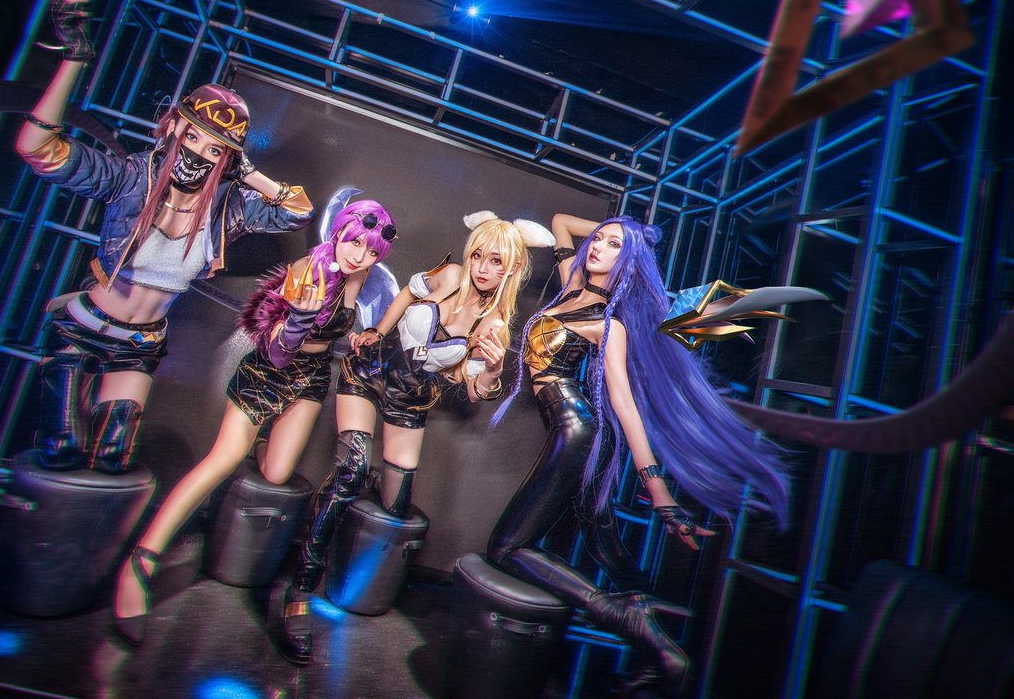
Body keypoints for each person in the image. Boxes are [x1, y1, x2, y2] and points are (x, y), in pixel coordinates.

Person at [14, 0, 314, 474]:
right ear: (173, 126)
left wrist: (249, 173)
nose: (199, 154)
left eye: (215, 149)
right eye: (193, 136)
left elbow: (299, 211)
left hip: (139, 345)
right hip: (82, 329)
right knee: (60, 450)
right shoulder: (130, 178)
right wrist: (74, 60)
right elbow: (36, 148)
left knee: (113, 458)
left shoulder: (227, 209)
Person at [486, 213, 791, 698]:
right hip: (575, 432)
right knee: (601, 535)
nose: (597, 247)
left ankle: (626, 617)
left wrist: (658, 489)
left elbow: (625, 407)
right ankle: (657, 645)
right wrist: (634, 234)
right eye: (598, 240)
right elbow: (561, 222)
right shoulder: (571, 287)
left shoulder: (608, 324)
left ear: (627, 263)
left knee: (507, 549)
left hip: (579, 433)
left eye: (612, 246)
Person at [110, 201, 398, 644]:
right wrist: (300, 319)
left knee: (277, 473)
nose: (359, 256)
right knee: (223, 459)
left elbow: (350, 317)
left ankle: (262, 443)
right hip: (268, 371)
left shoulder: (357, 274)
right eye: (355, 242)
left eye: (371, 251)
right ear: (339, 232)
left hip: (311, 377)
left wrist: (362, 335)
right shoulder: (306, 273)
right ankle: (141, 561)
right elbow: (278, 352)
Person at [279, 211, 554, 665]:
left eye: (496, 262)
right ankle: (301, 591)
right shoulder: (449, 275)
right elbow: (408, 293)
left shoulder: (494, 326)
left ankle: (363, 492)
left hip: (410, 401)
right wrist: (376, 331)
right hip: (369, 374)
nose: (483, 268)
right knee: (351, 468)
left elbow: (474, 390)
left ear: (513, 268)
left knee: (395, 505)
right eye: (479, 256)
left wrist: (492, 369)